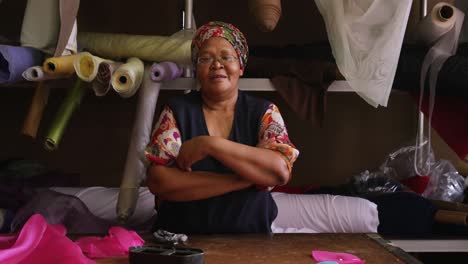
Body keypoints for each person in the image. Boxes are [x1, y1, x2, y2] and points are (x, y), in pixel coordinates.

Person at [145, 21, 378, 234]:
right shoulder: (176, 111)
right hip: (180, 241)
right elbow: (159, 182)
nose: (217, 65)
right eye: (205, 58)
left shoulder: (264, 112)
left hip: (251, 240)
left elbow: (279, 171)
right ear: (197, 69)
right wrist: (245, 179)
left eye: (227, 57)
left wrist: (210, 145)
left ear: (241, 67)